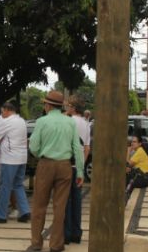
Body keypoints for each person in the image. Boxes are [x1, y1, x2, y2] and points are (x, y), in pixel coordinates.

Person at [28, 90, 83, 252]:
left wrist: (41, 156)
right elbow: (77, 149)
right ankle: (56, 244)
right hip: (65, 166)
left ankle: (37, 243)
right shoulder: (70, 122)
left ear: (48, 105)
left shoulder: (42, 122)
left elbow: (33, 147)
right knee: (60, 207)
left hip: (46, 164)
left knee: (39, 205)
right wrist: (79, 172)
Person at [0, 101, 31, 224]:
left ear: (6, 110)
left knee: (5, 187)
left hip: (10, 159)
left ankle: (1, 215)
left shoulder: (7, 121)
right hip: (22, 158)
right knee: (18, 185)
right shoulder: (21, 121)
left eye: (2, 112)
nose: (2, 115)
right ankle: (25, 211)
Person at [63, 96, 91, 245]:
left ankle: (66, 234)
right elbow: (87, 147)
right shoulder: (86, 124)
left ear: (73, 108)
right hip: (78, 166)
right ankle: (76, 232)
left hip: (67, 164)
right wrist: (82, 164)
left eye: (68, 105)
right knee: (77, 200)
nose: (66, 108)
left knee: (65, 201)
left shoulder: (68, 121)